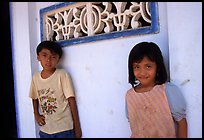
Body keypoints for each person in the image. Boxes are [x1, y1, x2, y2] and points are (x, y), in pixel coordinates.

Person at [125, 42, 188, 138]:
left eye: (148, 66)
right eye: (137, 67)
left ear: (157, 67)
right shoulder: (130, 96)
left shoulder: (167, 91)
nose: (142, 72)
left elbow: (181, 123)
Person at [29, 41, 82, 138]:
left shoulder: (62, 75)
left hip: (64, 129)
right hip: (45, 130)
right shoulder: (36, 77)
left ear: (58, 59)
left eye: (53, 57)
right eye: (44, 55)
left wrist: (77, 127)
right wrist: (36, 114)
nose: (48, 60)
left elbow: (71, 100)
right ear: (38, 57)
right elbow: (34, 97)